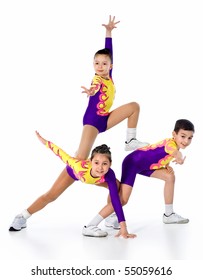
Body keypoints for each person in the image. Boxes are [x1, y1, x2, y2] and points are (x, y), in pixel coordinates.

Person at [9, 131, 136, 239]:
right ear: (90, 161)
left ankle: (110, 217)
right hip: (75, 174)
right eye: (96, 162)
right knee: (50, 196)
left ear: (110, 164)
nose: (100, 167)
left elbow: (115, 199)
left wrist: (123, 227)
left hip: (96, 180)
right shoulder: (77, 165)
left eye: (105, 164)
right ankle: (22, 216)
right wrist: (45, 142)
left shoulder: (109, 175)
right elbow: (60, 153)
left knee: (117, 187)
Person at [92, 119, 194, 229]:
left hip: (146, 166)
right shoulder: (171, 144)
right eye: (183, 136)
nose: (186, 141)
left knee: (170, 177)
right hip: (132, 163)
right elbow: (173, 151)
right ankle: (106, 218)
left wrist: (166, 165)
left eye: (190, 138)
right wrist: (179, 157)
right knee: (123, 200)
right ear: (174, 134)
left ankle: (168, 215)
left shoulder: (175, 146)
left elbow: (162, 155)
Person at [75, 15, 148, 160]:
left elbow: (109, 52)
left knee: (134, 107)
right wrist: (92, 91)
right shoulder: (97, 79)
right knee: (80, 159)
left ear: (110, 65)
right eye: (96, 63)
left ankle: (131, 141)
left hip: (106, 118)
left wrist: (108, 33)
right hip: (92, 121)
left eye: (104, 63)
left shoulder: (109, 75)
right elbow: (95, 87)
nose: (100, 66)